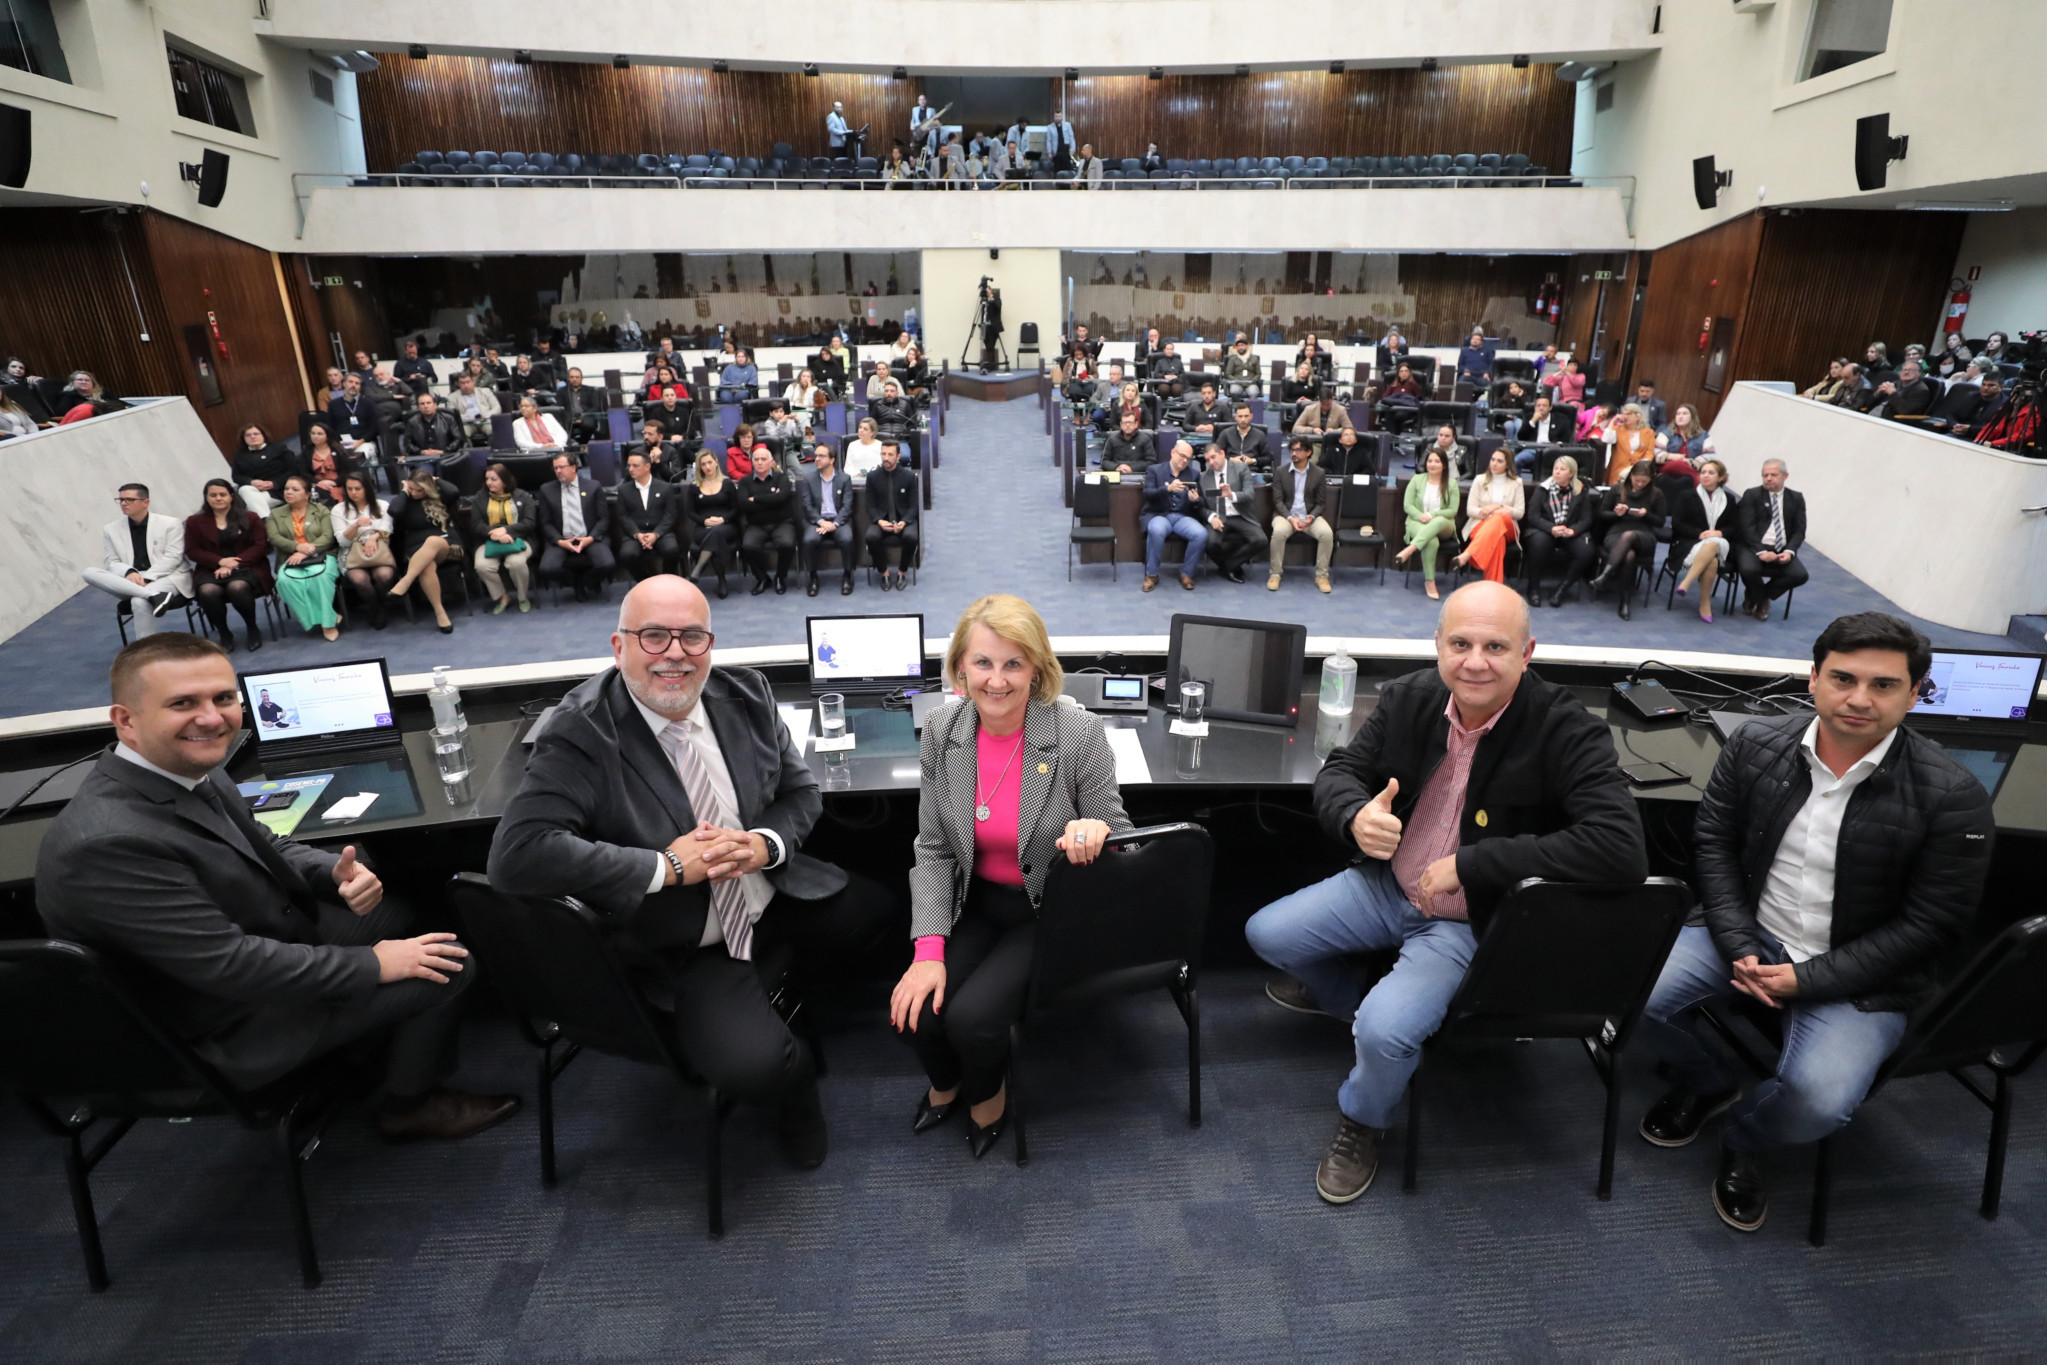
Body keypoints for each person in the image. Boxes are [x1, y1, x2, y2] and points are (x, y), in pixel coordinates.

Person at [1245, 581, 1647, 1204]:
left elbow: (1620, 848)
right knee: (1265, 934)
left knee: (1385, 1034)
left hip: (1464, 923)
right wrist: (1354, 815)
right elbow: (1341, 771)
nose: (1475, 661)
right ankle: (1360, 1005)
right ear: (1438, 645)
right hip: (1388, 887)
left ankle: (1364, 1117)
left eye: (1495, 646)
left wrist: (1477, 864)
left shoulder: (1567, 729)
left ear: (1527, 652)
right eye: (1460, 643)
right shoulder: (1411, 697)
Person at [489, 576, 902, 1173]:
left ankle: (767, 979)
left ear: (710, 643)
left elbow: (801, 792)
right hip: (684, 937)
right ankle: (797, 1090)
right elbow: (517, 856)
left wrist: (765, 845)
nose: (675, 652)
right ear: (619, 646)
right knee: (756, 1069)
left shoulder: (747, 694)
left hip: (771, 891)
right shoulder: (581, 731)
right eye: (654, 637)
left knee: (881, 912)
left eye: (691, 636)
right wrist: (667, 867)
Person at [36, 633, 517, 1136]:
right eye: (183, 703)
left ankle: (368, 1049)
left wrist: (329, 874)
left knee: (403, 910)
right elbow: (232, 966)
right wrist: (375, 964)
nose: (212, 717)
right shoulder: (108, 844)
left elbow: (267, 842)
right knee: (447, 964)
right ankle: (408, 1106)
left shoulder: (185, 767)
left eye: (223, 699)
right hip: (217, 1029)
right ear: (126, 720)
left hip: (245, 961)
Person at [1634, 613, 1993, 1233]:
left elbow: (1932, 925)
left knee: (1819, 1103)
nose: (1859, 699)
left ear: (1915, 692)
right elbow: (1713, 845)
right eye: (1843, 679)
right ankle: (1708, 1079)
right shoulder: (1753, 744)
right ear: (1813, 680)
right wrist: (1742, 942)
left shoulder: (1954, 796)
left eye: (1883, 685)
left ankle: (1746, 1138)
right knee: (1623, 997)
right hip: (1746, 936)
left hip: (1861, 975)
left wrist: (1808, 981)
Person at [889, 594, 1130, 1157]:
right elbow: (932, 849)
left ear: (1038, 670)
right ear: (959, 669)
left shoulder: (1077, 732)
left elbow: (1118, 830)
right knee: (919, 1009)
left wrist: (1095, 830)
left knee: (972, 1021)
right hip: (976, 902)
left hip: (1045, 910)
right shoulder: (943, 732)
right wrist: (928, 951)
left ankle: (989, 1094)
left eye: (1013, 664)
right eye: (982, 663)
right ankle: (948, 1085)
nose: (996, 681)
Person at [183, 478, 271, 653]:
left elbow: (260, 546)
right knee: (208, 591)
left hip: (248, 566)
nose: (218, 498)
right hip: (211, 568)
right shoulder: (194, 521)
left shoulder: (250, 517)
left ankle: (252, 628)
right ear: (206, 498)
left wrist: (233, 563)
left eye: (222, 494)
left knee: (237, 587)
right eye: (213, 495)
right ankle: (224, 633)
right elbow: (192, 550)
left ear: (231, 496)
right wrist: (219, 562)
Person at [264, 475, 341, 643]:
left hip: (321, 554)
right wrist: (297, 547)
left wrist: (307, 550)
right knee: (284, 582)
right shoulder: (276, 514)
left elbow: (328, 537)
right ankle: (325, 617)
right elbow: (274, 538)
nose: (289, 492)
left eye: (295, 489)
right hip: (290, 557)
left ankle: (328, 625)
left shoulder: (321, 510)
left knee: (319, 577)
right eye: (286, 489)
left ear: (307, 494)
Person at [1586, 458, 1664, 620]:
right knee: (1629, 555)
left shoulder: (1656, 494)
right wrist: (1617, 513)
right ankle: (1625, 602)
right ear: (1631, 476)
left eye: (1644, 481)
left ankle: (1605, 576)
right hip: (1616, 532)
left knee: (1630, 536)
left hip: (1644, 535)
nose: (1640, 484)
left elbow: (1660, 522)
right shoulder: (1616, 489)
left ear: (1650, 480)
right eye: (1637, 480)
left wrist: (1646, 514)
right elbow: (1602, 514)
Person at [1734, 458, 1807, 620]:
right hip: (1753, 546)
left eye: (1773, 475)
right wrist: (1760, 551)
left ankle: (1755, 596)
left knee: (1800, 575)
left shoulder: (1796, 498)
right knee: (1748, 569)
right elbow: (1747, 528)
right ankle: (1763, 601)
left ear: (1785, 476)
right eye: (1765, 475)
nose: (1768, 478)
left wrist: (1789, 551)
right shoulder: (1752, 495)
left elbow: (1799, 530)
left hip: (1781, 548)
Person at [536, 452, 612, 604]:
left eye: (561, 467)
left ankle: (586, 581)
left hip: (590, 537)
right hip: (562, 539)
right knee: (547, 569)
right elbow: (545, 523)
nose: (558, 471)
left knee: (607, 564)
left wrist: (589, 539)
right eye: (555, 468)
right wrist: (560, 541)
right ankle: (576, 582)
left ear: (573, 467)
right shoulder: (546, 490)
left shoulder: (593, 487)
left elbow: (603, 519)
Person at [1669, 458, 1738, 624]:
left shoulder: (1729, 499)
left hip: (1720, 542)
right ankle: (1705, 603)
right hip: (1690, 542)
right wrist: (1699, 534)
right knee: (1712, 562)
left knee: (1714, 543)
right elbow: (1677, 524)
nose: (1705, 476)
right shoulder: (1687, 495)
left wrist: (1720, 532)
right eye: (1703, 472)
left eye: (1711, 473)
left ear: (1720, 478)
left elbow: (1735, 526)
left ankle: (1687, 581)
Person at [1522, 453, 1596, 607]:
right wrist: (1551, 528)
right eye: (1556, 468)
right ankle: (1534, 588)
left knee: (1586, 551)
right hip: (1546, 529)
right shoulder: (1543, 489)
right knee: (1539, 543)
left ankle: (1562, 589)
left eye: (1562, 469)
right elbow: (1533, 516)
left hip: (1569, 532)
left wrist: (1573, 531)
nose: (1557, 472)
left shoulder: (1580, 491)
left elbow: (1586, 519)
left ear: (1571, 473)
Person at [1268, 437, 1335, 594]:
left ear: (1308, 452)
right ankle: (1275, 574)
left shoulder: (1318, 473)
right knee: (1278, 532)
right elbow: (1277, 501)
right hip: (1286, 515)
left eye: (1298, 450)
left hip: (1309, 517)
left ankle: (1322, 576)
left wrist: (1311, 517)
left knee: (1327, 534)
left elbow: (1321, 503)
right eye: (1292, 450)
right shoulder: (1281, 472)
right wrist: (1291, 519)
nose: (1294, 453)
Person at [1140, 440, 1207, 593]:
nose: (1184, 460)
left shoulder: (1193, 474)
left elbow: (1202, 501)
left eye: (1188, 458)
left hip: (1182, 516)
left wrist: (1195, 500)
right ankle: (1152, 575)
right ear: (1173, 452)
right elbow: (1148, 494)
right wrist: (1167, 488)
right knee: (1156, 530)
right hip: (1159, 514)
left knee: (1201, 534)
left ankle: (1186, 573)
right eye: (1182, 456)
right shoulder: (1154, 470)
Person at [469, 462, 536, 614]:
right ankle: (502, 597)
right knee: (482, 566)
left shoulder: (522, 496)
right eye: (487, 479)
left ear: (504, 480)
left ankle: (522, 597)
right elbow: (476, 524)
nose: (489, 483)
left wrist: (507, 531)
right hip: (488, 540)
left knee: (516, 562)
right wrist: (495, 534)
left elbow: (530, 523)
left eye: (493, 479)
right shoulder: (480, 498)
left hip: (519, 539)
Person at [1395, 448, 1460, 601]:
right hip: (1417, 522)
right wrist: (1420, 516)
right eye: (1430, 461)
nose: (1433, 464)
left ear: (1444, 464)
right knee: (1431, 541)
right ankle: (1430, 581)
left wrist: (1432, 515)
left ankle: (1411, 548)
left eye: (1437, 461)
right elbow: (1408, 505)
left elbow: (1452, 511)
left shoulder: (1451, 484)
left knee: (1437, 521)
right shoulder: (1417, 480)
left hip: (1444, 525)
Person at [1451, 446, 1523, 585]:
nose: (1494, 463)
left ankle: (1467, 554)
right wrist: (1490, 513)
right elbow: (1471, 510)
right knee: (1498, 540)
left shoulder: (1517, 482)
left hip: (1508, 527)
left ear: (1507, 464)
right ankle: (1493, 587)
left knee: (1498, 519)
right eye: (1493, 460)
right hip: (1479, 525)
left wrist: (1497, 507)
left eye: (1500, 461)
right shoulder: (1479, 480)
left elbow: (1519, 512)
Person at [334, 471, 396, 629]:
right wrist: (355, 525)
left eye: (357, 488)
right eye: (349, 489)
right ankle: (375, 608)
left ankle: (382, 605)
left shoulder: (382, 505)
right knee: (360, 580)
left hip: (379, 550)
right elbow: (341, 541)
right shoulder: (339, 510)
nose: (353, 493)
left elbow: (387, 530)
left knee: (383, 575)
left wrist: (373, 537)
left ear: (367, 488)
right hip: (351, 553)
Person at [1200, 442, 1265, 583]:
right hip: (1218, 517)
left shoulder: (1240, 469)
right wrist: (1211, 517)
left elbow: (1249, 494)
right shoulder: (1203, 477)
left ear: (1222, 453)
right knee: (1210, 542)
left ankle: (1228, 566)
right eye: (1207, 460)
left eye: (1213, 457)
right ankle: (1231, 567)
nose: (1211, 462)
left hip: (1240, 515)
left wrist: (1231, 495)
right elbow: (1201, 506)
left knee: (1261, 540)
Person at [737, 444, 797, 596]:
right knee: (747, 547)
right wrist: (772, 500)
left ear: (771, 462)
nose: (760, 462)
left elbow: (782, 498)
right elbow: (743, 505)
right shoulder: (745, 481)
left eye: (763, 459)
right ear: (752, 462)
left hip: (782, 522)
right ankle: (762, 578)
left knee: (787, 544)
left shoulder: (782, 477)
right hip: (756, 524)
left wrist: (755, 499)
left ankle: (780, 577)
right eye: (756, 459)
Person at [798, 441, 855, 598]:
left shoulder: (844, 479)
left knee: (847, 539)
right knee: (809, 540)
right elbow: (807, 506)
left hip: (838, 520)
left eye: (821, 456)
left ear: (832, 460)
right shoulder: (808, 479)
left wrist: (834, 523)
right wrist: (822, 522)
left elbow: (847, 506)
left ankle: (848, 575)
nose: (816, 459)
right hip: (817, 521)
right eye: (816, 456)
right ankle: (813, 577)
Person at [682, 449, 739, 599]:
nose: (707, 466)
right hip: (702, 528)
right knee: (714, 536)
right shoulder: (694, 486)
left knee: (717, 532)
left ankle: (699, 568)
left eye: (709, 462)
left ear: (716, 462)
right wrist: (704, 521)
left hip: (727, 527)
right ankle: (722, 580)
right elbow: (690, 512)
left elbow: (735, 509)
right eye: (703, 464)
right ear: (699, 467)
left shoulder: (727, 484)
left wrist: (723, 519)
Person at [615, 449, 678, 584]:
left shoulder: (665, 487)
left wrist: (656, 534)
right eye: (629, 465)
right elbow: (623, 516)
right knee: (626, 555)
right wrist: (637, 534)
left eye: (635, 466)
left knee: (671, 549)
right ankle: (645, 583)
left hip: (660, 531)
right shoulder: (623, 490)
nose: (630, 469)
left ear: (647, 466)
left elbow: (670, 515)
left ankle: (667, 582)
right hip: (636, 533)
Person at [864, 439, 919, 591]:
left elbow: (914, 505)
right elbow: (870, 505)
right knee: (871, 537)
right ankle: (884, 572)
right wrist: (879, 521)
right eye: (883, 454)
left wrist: (904, 522)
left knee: (911, 537)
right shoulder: (873, 477)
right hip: (882, 520)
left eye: (890, 454)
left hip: (903, 519)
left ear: (898, 457)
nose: (886, 458)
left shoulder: (908, 477)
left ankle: (902, 571)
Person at [228, 424, 292, 516]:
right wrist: (251, 482)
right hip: (253, 490)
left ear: (263, 435)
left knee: (252, 504)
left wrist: (273, 483)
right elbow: (236, 476)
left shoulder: (278, 448)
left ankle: (264, 523)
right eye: (248, 435)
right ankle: (266, 521)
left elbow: (291, 470)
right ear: (244, 439)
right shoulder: (239, 454)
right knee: (244, 489)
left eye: (256, 434)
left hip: (277, 490)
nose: (253, 437)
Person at [403, 390, 466, 468]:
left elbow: (458, 439)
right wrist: (421, 452)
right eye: (422, 404)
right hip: (423, 458)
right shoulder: (412, 422)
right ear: (418, 407)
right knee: (424, 475)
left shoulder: (448, 418)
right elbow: (407, 444)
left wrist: (444, 451)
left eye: (428, 403)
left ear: (435, 405)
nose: (426, 406)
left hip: (446, 456)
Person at [326, 372, 380, 460]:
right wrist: (338, 443)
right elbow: (330, 428)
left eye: (357, 383)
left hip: (364, 442)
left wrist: (360, 442)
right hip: (341, 443)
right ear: (344, 383)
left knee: (362, 454)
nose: (353, 385)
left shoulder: (368, 404)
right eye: (350, 382)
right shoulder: (333, 405)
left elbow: (374, 429)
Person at [1602, 402, 1656, 486]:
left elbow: (1649, 453)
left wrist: (1640, 467)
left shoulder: (1649, 432)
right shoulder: (1617, 429)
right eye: (1623, 414)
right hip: (1619, 471)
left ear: (1638, 416)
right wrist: (1613, 420)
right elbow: (1606, 439)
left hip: (1638, 471)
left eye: (1629, 414)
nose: (1625, 416)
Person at [1508, 395, 1563, 474]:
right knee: (1516, 461)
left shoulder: (1560, 419)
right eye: (1538, 406)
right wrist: (1533, 421)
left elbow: (1565, 438)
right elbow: (1521, 436)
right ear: (1535, 407)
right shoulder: (1529, 417)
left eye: (1544, 405)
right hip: (1533, 450)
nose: (1541, 408)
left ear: (1550, 407)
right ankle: (1516, 485)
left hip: (1552, 451)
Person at [448, 371, 499, 445]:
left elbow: (497, 407)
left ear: (473, 382)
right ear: (459, 384)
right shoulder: (452, 397)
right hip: (467, 423)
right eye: (462, 383)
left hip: (485, 420)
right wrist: (468, 417)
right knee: (461, 433)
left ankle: (491, 452)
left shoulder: (485, 391)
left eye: (467, 382)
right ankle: (470, 454)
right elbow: (452, 414)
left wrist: (487, 415)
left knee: (495, 429)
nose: (466, 385)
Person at [1213, 402, 1267, 469]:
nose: (1243, 419)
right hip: (1229, 470)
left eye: (1246, 416)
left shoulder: (1260, 435)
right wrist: (1231, 460)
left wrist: (1252, 460)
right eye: (1240, 416)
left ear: (1251, 416)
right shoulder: (1226, 433)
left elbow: (1268, 457)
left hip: (1252, 470)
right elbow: (1216, 454)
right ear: (1235, 417)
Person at [1455, 328, 1494, 394]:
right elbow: (1460, 365)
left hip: (1481, 376)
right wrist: (1465, 371)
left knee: (1486, 383)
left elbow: (1491, 364)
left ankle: (1474, 400)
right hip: (1468, 375)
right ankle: (1462, 402)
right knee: (1462, 381)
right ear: (1470, 340)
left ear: (1481, 342)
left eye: (1477, 339)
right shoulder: (1464, 350)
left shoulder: (1487, 351)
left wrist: (1487, 373)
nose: (1475, 341)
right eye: (1473, 339)